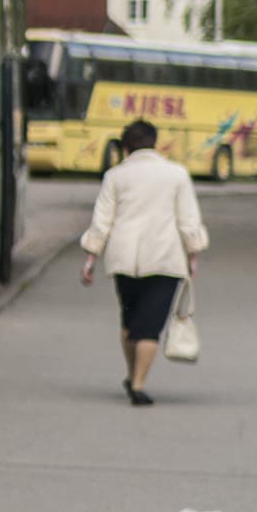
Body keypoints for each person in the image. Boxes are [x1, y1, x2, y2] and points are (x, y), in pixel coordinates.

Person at [79, 119, 207, 405]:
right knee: (150, 325)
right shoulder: (176, 174)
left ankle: (131, 373)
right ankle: (138, 384)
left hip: (124, 258)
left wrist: (90, 257)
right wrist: (193, 253)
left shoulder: (115, 176)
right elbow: (188, 219)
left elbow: (102, 220)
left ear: (125, 147)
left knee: (130, 321)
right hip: (165, 258)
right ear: (155, 143)